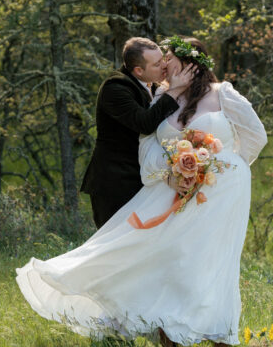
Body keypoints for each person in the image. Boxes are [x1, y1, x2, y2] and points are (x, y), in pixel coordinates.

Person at [16, 37, 267, 347]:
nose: (167, 68)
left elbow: (256, 136)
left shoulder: (223, 93)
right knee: (172, 258)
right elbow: (148, 146)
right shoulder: (160, 96)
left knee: (216, 261)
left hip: (221, 189)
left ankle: (222, 345)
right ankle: (167, 346)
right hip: (175, 186)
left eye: (172, 62)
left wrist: (229, 167)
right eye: (163, 63)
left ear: (193, 64)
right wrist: (171, 173)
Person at [80, 37, 194, 228]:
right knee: (113, 244)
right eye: (157, 64)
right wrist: (173, 92)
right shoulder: (115, 88)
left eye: (163, 59)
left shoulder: (155, 86)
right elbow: (145, 123)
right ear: (138, 70)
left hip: (142, 178)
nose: (164, 66)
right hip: (116, 182)